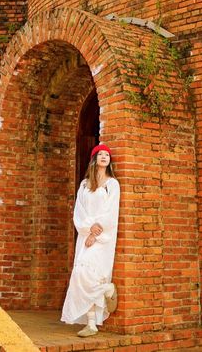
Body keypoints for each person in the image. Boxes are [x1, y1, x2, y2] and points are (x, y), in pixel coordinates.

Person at [61, 143, 120, 337]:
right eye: (100, 154)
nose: (104, 157)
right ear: (94, 159)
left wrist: (96, 234)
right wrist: (87, 229)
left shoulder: (112, 184)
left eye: (107, 155)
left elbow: (111, 212)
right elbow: (79, 211)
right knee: (80, 275)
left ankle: (105, 287)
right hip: (86, 235)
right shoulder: (85, 184)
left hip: (103, 238)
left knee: (90, 274)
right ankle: (91, 324)